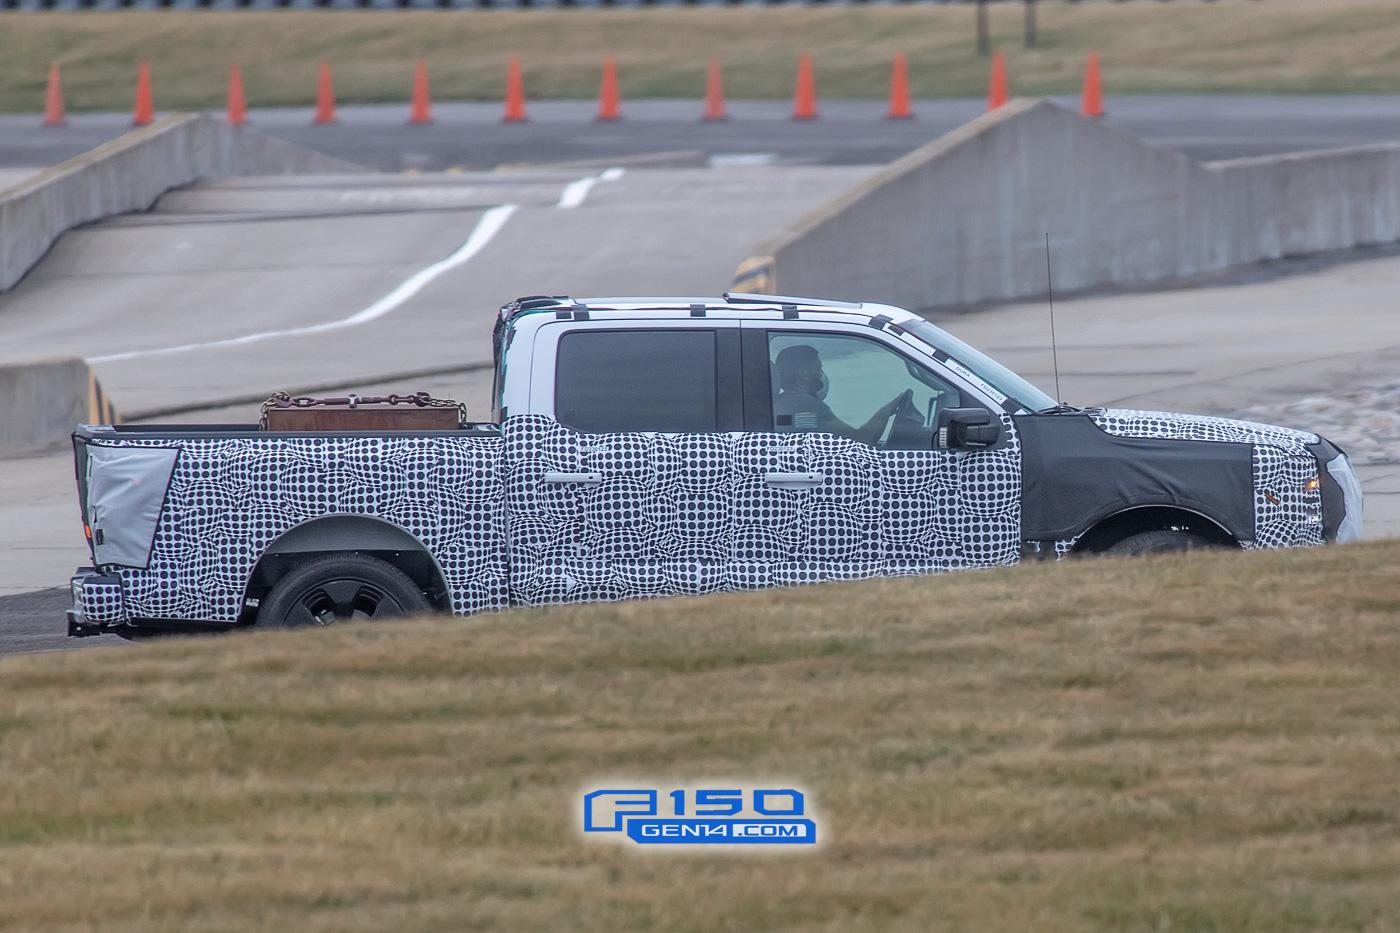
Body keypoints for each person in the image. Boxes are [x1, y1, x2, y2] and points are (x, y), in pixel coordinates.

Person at [772, 344, 908, 445]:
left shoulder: (784, 403)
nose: (821, 375)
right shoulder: (805, 405)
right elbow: (862, 440)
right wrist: (887, 411)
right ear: (803, 374)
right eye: (818, 368)